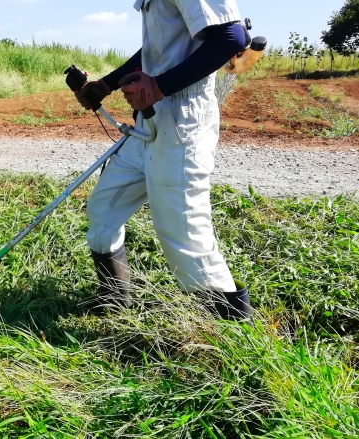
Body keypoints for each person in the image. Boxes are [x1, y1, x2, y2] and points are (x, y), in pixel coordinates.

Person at [75, 0, 252, 321]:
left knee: (185, 237)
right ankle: (115, 303)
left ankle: (232, 336)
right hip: (149, 121)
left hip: (183, 121)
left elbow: (233, 37)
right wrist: (107, 84)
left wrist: (158, 86)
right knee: (104, 209)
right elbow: (158, 48)